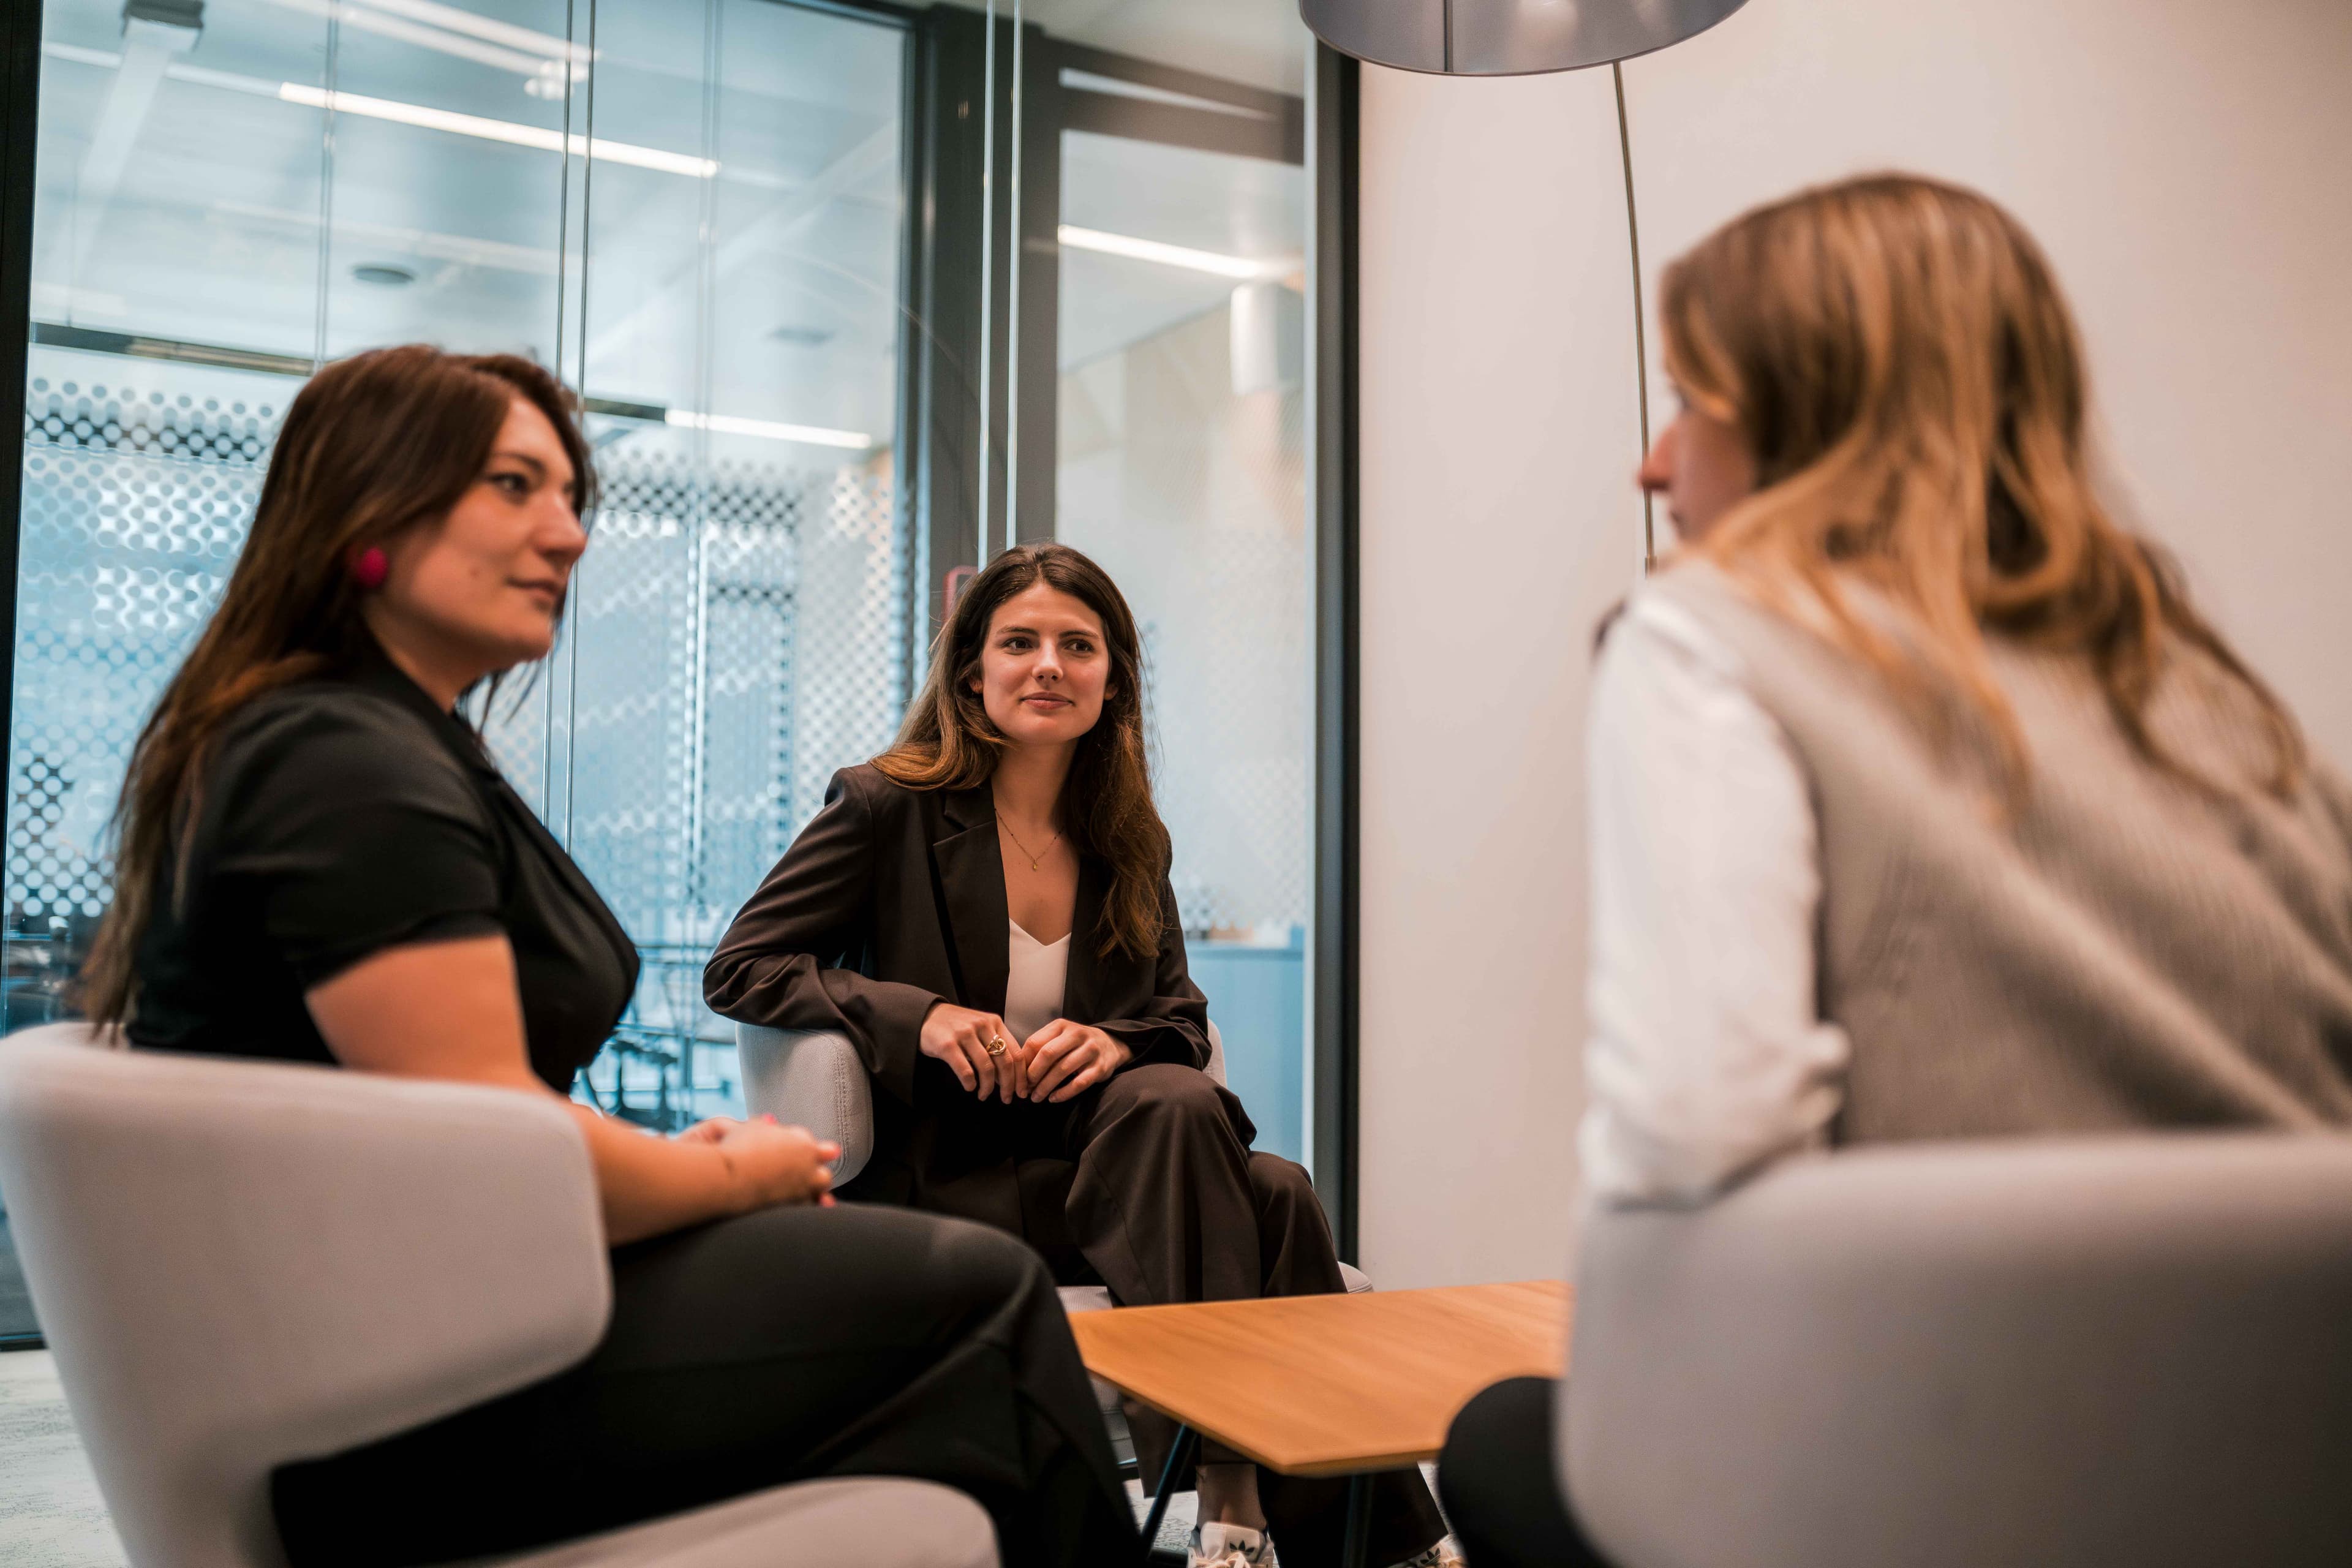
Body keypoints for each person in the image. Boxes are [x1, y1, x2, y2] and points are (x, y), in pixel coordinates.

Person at [81, 346, 1140, 1568]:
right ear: (369, 502)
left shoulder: (376, 740)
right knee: (984, 1290)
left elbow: (462, 1123)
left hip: (419, 1328)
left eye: (571, 495)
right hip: (393, 1398)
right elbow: (482, 1144)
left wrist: (667, 1161)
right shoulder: (344, 762)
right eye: (516, 485)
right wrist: (731, 1172)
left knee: (963, 1386)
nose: (569, 533)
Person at [1437, 173, 2352, 1566]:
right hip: (2284, 1475)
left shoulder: (1706, 635)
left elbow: (1695, 1122)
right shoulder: (2201, 688)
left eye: (1691, 400)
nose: (1653, 460)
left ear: (1810, 417)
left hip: (1935, 1473)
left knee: (1501, 1430)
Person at [705, 542, 1453, 1568]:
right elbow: (742, 966)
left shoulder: (1126, 835)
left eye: (1077, 645)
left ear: (1113, 677)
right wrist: (915, 1014)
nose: (1048, 665)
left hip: (1110, 1189)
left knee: (1178, 1108)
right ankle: (1336, 1530)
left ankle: (1243, 1520)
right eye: (1020, 643)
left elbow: (1179, 1019)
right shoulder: (885, 806)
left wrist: (1109, 1039)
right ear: (973, 672)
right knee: (1274, 1192)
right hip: (950, 1187)